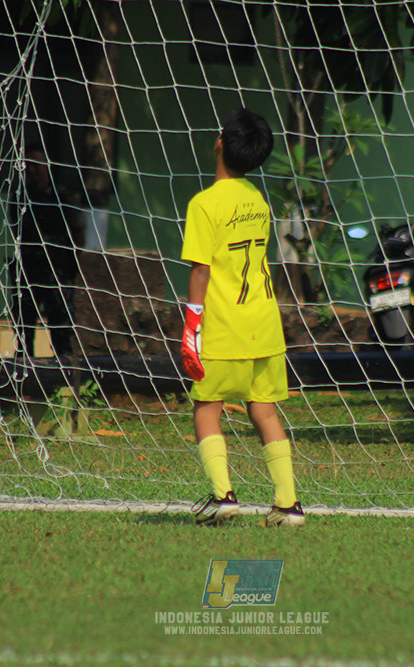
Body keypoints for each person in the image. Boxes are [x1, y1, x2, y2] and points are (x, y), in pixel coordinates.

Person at [180, 107, 304, 528]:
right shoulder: (257, 200)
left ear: (219, 143)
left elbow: (201, 270)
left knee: (206, 408)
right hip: (264, 322)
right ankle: (288, 504)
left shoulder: (205, 204)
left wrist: (192, 324)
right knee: (264, 409)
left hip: (225, 324)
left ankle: (223, 496)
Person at [10, 145, 84, 359]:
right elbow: (16, 231)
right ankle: (24, 372)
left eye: (36, 165)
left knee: (61, 328)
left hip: (57, 270)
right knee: (23, 327)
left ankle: (64, 370)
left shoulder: (65, 197)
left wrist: (71, 268)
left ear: (47, 166)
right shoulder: (19, 198)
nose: (32, 170)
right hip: (27, 270)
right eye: (27, 166)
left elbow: (78, 236)